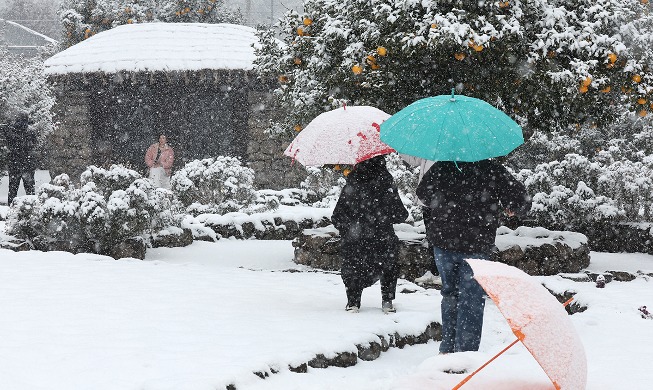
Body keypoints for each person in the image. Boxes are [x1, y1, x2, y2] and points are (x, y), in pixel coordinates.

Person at [417, 159, 530, 354]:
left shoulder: (442, 166)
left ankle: (447, 349)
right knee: (472, 298)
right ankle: (465, 354)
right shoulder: (493, 169)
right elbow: (521, 200)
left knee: (450, 293)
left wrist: (444, 201)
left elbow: (423, 194)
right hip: (477, 244)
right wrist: (509, 208)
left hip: (444, 241)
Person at [331, 155, 409, 314]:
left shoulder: (352, 184)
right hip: (382, 237)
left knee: (352, 266)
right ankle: (387, 301)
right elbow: (401, 214)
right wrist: (383, 216)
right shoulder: (387, 184)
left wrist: (349, 229)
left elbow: (337, 216)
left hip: (356, 240)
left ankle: (353, 302)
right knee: (388, 265)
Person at [5, 113, 37, 205]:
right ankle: (31, 208)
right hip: (27, 163)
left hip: (14, 163)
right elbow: (34, 144)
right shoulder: (31, 131)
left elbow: (9, 145)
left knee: (13, 189)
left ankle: (10, 208)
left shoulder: (11, 130)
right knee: (30, 190)